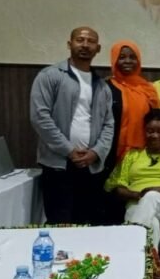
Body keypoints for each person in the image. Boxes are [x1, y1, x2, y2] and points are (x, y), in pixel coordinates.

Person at [29, 26, 114, 224]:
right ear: (70, 44)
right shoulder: (50, 76)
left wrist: (96, 152)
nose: (85, 45)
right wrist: (68, 150)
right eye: (80, 40)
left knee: (87, 224)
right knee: (61, 223)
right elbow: (40, 117)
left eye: (90, 41)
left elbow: (109, 124)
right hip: (59, 165)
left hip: (91, 166)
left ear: (98, 48)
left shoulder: (101, 85)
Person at [104, 109, 160, 248]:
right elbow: (117, 186)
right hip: (136, 204)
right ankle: (150, 268)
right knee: (152, 225)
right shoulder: (132, 155)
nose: (155, 135)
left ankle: (126, 248)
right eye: (150, 131)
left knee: (151, 197)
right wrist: (137, 195)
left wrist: (159, 190)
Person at [107, 40, 160, 162]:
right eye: (121, 57)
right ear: (114, 60)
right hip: (112, 151)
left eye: (132, 57)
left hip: (144, 151)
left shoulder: (147, 88)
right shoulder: (106, 87)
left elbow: (157, 118)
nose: (127, 61)